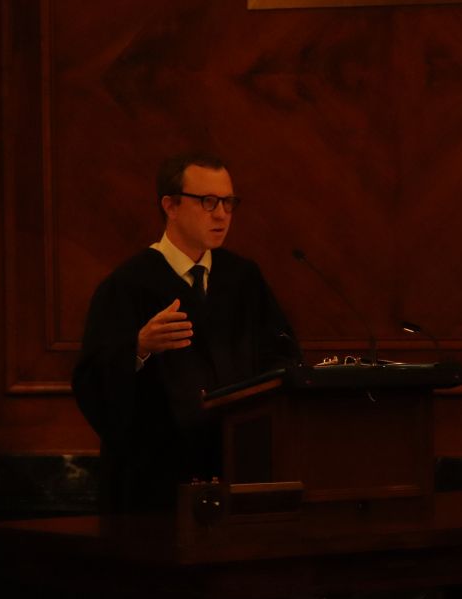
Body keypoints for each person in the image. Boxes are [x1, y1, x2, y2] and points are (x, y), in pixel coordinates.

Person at [71, 152, 299, 514]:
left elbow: (282, 355)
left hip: (238, 469)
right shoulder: (128, 285)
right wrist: (139, 347)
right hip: (157, 484)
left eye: (228, 202)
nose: (222, 214)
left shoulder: (243, 279)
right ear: (171, 206)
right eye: (208, 202)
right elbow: (91, 381)